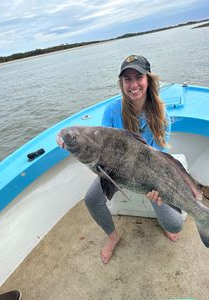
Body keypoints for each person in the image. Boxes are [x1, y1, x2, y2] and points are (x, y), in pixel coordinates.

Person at [57, 54, 183, 264]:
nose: (133, 84)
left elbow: (160, 158)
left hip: (150, 177)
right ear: (121, 83)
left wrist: (154, 187)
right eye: (127, 79)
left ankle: (163, 222)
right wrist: (62, 137)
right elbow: (92, 139)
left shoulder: (162, 115)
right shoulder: (112, 110)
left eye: (138, 77)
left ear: (148, 80)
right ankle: (112, 236)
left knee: (175, 224)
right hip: (114, 171)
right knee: (91, 199)